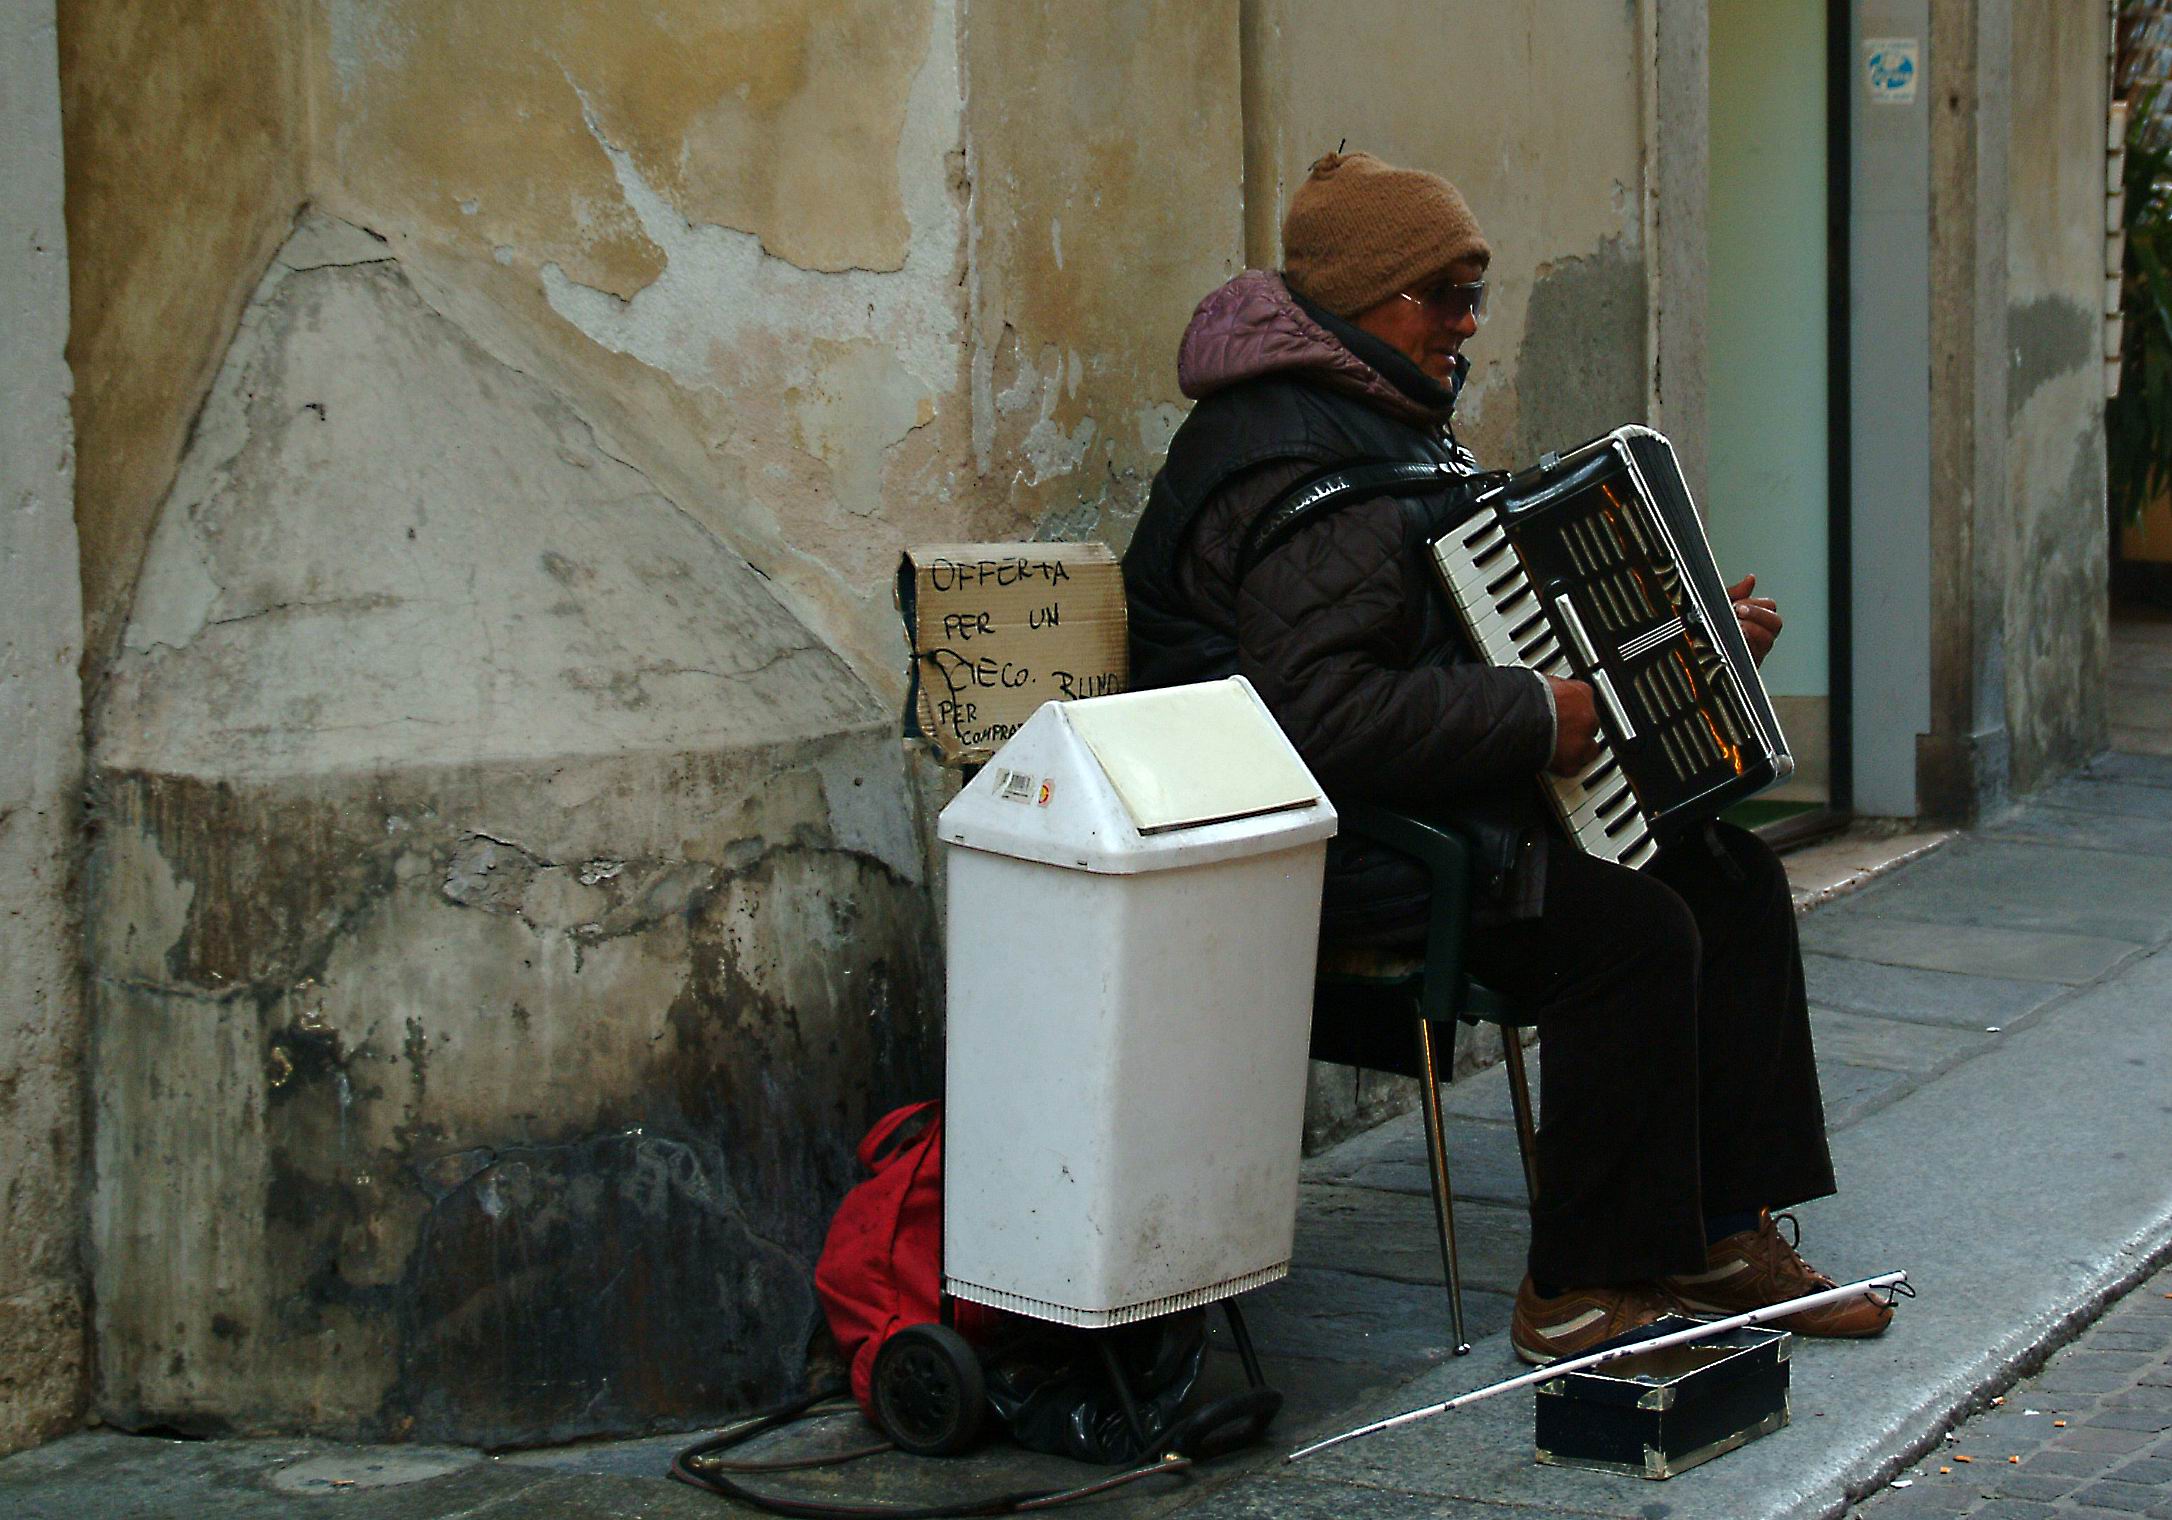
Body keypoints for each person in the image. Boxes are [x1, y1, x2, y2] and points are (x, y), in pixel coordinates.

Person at [1123, 149, 1893, 1364]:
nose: (1468, 322)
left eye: (1474, 292)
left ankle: (1714, 1229)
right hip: (1322, 842)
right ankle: (1581, 1285)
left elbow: (1476, 621)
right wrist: (1533, 718)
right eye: (1443, 294)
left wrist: (1685, 643)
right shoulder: (1283, 451)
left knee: (1729, 881)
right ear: (1362, 297)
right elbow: (1307, 715)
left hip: (1426, 808)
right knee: (1632, 933)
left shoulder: (1379, 420)